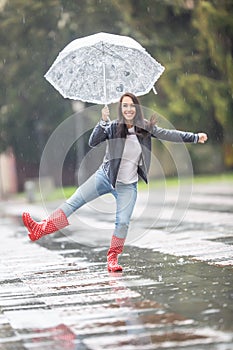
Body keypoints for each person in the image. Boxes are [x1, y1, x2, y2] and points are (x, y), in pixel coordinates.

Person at [22, 92, 208, 272]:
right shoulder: (112, 126)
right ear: (120, 109)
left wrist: (194, 137)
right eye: (124, 106)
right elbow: (93, 142)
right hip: (104, 177)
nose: (128, 109)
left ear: (137, 108)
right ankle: (40, 228)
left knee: (123, 222)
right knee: (73, 202)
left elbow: (169, 134)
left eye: (131, 105)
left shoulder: (145, 128)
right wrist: (102, 122)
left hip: (127, 186)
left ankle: (112, 258)